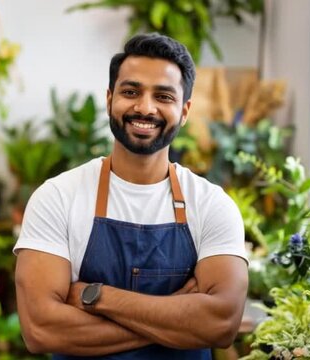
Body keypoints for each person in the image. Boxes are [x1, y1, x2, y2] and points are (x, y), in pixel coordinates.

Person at [13, 33, 248, 359]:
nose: (145, 107)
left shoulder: (212, 205)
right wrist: (178, 317)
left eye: (163, 96)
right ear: (109, 99)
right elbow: (41, 329)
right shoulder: (57, 197)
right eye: (130, 91)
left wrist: (97, 297)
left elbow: (220, 324)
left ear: (184, 111)